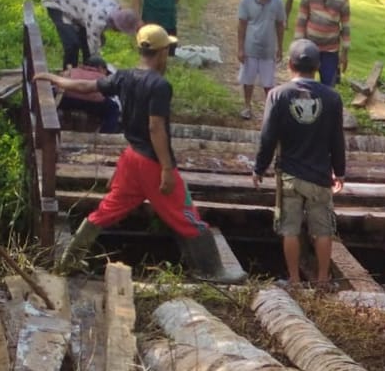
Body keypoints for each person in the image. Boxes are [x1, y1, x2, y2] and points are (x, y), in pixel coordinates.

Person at [34, 25, 244, 283]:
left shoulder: (124, 76)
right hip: (152, 163)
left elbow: (86, 86)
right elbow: (155, 127)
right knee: (186, 216)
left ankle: (68, 261)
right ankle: (212, 271)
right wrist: (167, 168)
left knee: (107, 210)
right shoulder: (159, 86)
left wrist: (55, 79)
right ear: (163, 52)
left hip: (131, 157)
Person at [253, 40, 346, 289]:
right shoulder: (332, 98)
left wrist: (259, 168)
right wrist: (340, 171)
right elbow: (337, 138)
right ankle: (323, 281)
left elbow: (268, 136)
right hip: (319, 177)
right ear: (317, 67)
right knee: (323, 229)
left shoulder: (278, 95)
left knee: (290, 229)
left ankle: (294, 281)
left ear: (290, 65)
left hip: (290, 176)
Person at [40, 0, 139, 70]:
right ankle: (69, 76)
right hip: (59, 4)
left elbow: (93, 35)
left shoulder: (113, 6)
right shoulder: (98, 19)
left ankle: (85, 73)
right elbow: (94, 49)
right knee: (72, 44)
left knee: (86, 44)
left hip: (77, 8)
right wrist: (99, 67)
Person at [237, 0, 286, 120]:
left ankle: (270, 109)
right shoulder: (246, 0)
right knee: (248, 79)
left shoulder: (277, 1)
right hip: (250, 46)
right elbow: (242, 24)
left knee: (268, 82)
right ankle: (247, 106)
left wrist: (280, 47)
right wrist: (240, 48)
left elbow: (280, 25)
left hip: (268, 48)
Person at [294, 0, 349, 87]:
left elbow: (345, 27)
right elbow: (301, 19)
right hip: (309, 47)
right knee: (304, 84)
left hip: (330, 50)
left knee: (328, 85)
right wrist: (297, 45)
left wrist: (344, 53)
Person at [53, 56, 121, 133]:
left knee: (52, 95)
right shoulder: (103, 77)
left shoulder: (72, 71)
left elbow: (57, 87)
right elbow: (109, 93)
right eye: (105, 70)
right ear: (101, 68)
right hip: (92, 104)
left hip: (67, 100)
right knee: (113, 108)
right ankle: (106, 134)